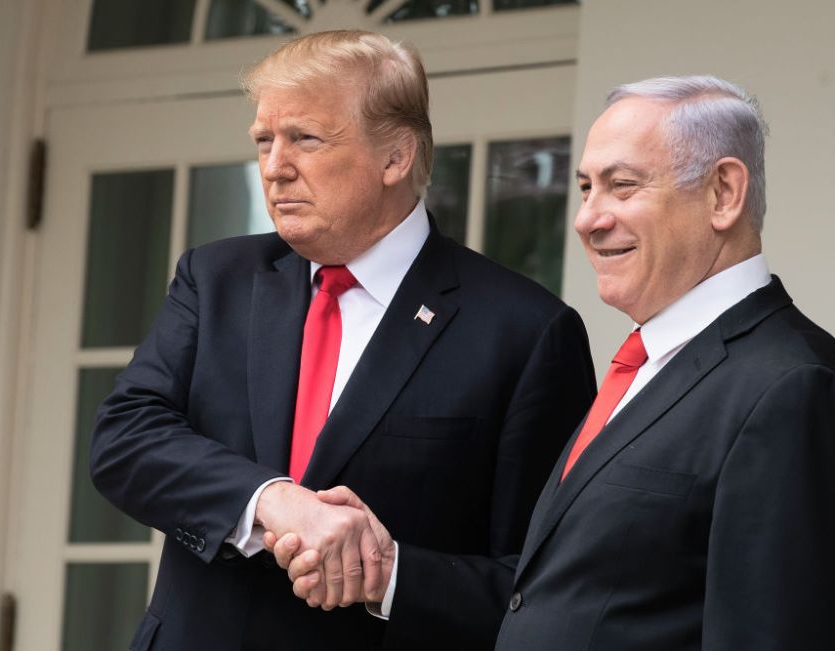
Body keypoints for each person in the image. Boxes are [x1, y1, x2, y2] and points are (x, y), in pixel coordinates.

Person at [273, 75, 835, 649]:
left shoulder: (794, 389)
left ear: (723, 193)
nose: (588, 220)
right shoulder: (648, 366)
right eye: (587, 188)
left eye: (623, 186)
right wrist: (387, 571)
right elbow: (554, 596)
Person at [89, 30, 595, 651]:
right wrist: (270, 501)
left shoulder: (526, 332)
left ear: (395, 157)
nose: (275, 166)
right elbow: (124, 441)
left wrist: (386, 574)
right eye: (263, 141)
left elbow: (541, 587)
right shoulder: (215, 278)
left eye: (304, 138)